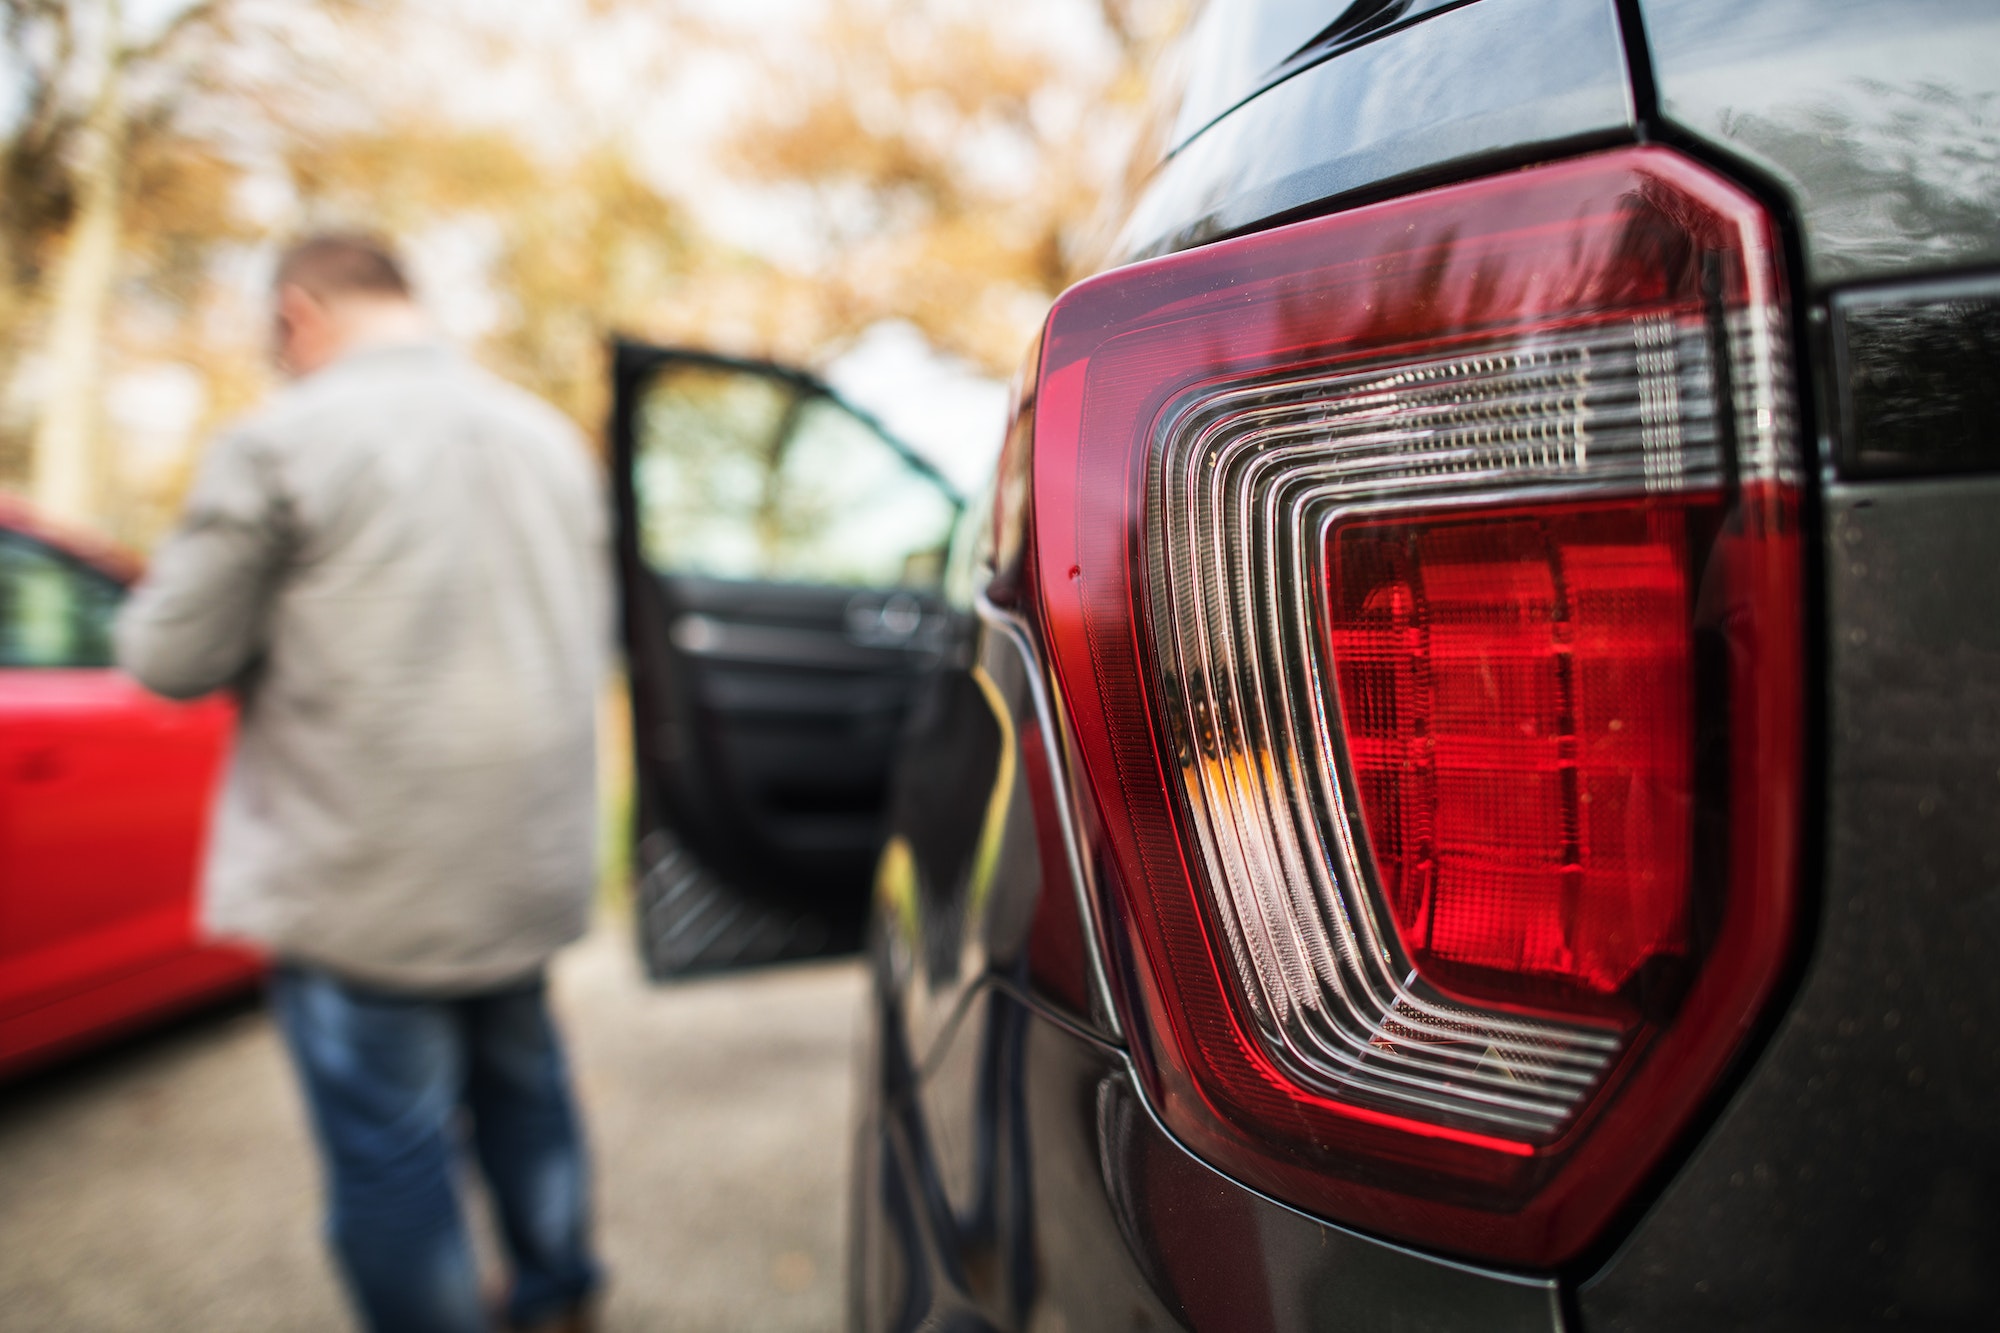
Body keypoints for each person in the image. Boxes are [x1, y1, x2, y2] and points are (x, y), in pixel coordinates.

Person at [116, 232, 608, 1333]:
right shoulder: (546, 438)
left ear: (298, 313)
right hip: (523, 863)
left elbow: (168, 658)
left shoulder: (280, 441)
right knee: (526, 1094)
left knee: (392, 1158)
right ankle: (559, 1295)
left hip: (365, 879)